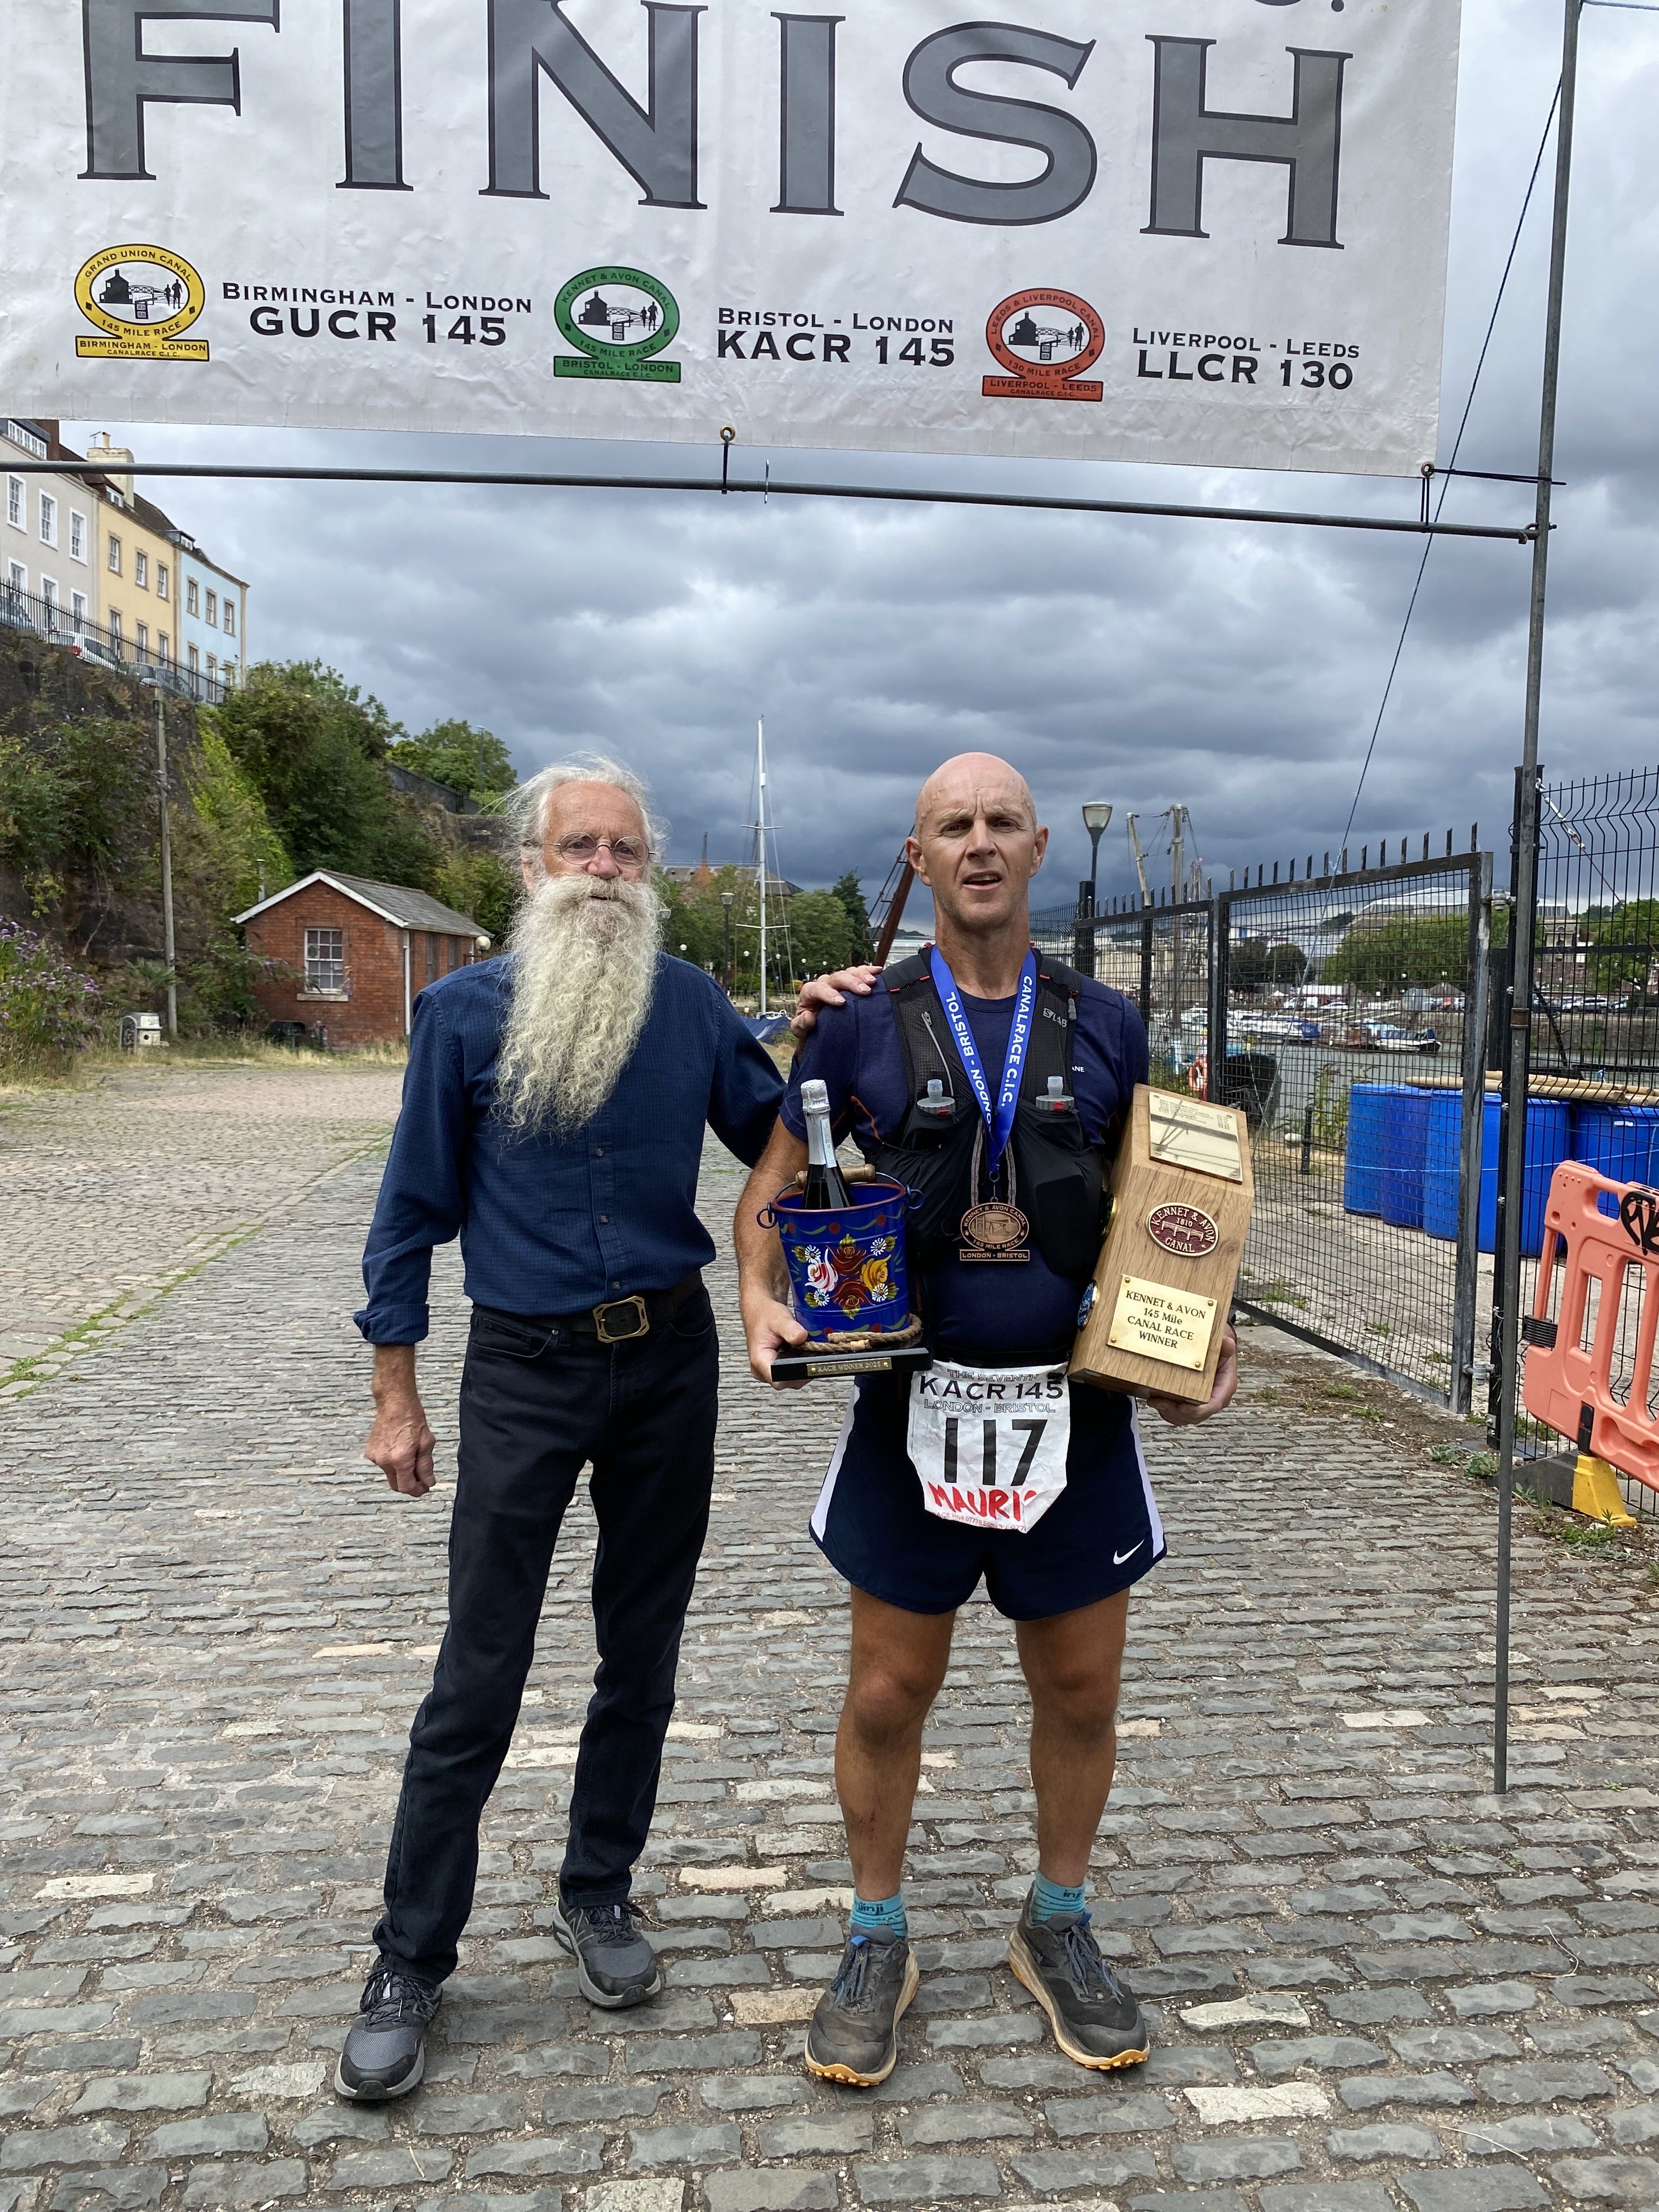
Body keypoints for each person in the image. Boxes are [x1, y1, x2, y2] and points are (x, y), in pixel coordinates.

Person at [735, 752, 1237, 2089]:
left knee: (1081, 1688)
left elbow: (1168, 1209)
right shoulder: (855, 1022)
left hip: (1075, 1413)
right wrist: (758, 1298)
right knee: (888, 1690)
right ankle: (876, 1934)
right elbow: (770, 1192)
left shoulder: (1108, 1023)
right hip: (913, 1404)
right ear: (920, 855)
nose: (979, 843)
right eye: (952, 825)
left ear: (1036, 847)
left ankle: (1056, 1921)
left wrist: (1204, 1333)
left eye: (1002, 822)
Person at [338, 754, 815, 2101]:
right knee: (478, 1666)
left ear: (649, 872)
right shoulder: (462, 1014)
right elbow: (408, 1214)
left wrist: (837, 1039)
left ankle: (598, 1887)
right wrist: (393, 1392)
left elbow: (786, 1143)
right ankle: (409, 1958)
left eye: (626, 851)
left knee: (641, 1647)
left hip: (668, 1360)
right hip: (525, 1367)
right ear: (532, 866)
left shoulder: (694, 1005)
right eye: (580, 848)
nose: (604, 871)